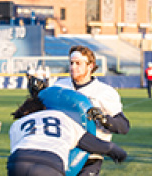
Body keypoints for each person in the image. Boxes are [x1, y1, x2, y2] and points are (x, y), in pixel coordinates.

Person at [7, 87, 127, 176]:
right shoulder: (63, 118)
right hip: (49, 161)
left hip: (17, 162)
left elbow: (16, 148)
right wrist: (119, 153)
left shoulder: (17, 124)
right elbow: (95, 144)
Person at [54, 45, 130, 176]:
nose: (73, 67)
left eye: (78, 63)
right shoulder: (59, 86)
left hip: (90, 155)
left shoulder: (104, 92)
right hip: (61, 151)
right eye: (71, 63)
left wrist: (103, 119)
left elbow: (124, 126)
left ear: (90, 66)